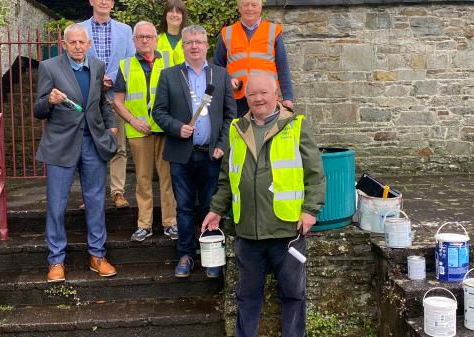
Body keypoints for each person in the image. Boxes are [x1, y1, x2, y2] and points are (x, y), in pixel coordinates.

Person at [202, 73, 325, 337]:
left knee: (293, 295)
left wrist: (310, 210)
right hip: (247, 230)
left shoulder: (296, 126)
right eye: (252, 94)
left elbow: (315, 174)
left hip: (286, 229)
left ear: (277, 93)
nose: (258, 99)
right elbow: (227, 179)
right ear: (245, 98)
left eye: (264, 93)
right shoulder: (237, 130)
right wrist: (216, 210)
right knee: (246, 297)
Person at [35, 23, 119, 282]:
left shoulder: (97, 67)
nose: (78, 46)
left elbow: (101, 102)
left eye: (82, 42)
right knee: (57, 204)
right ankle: (56, 261)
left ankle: (97, 256)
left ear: (89, 44)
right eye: (72, 42)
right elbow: (38, 110)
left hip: (93, 142)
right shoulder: (49, 67)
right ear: (64, 44)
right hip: (61, 144)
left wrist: (112, 127)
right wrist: (49, 100)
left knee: (95, 201)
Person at [152, 25, 236, 279]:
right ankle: (186, 254)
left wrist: (222, 144)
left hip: (213, 155)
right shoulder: (169, 75)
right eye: (189, 42)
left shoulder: (220, 75)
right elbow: (158, 112)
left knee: (212, 206)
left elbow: (230, 115)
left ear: (207, 45)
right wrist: (177, 128)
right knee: (185, 208)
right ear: (183, 46)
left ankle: (212, 256)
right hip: (181, 154)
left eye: (199, 41)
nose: (194, 46)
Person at [112, 21, 178, 242]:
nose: (145, 40)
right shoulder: (126, 65)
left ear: (156, 39)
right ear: (134, 40)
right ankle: (144, 225)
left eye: (149, 36)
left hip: (165, 130)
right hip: (139, 131)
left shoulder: (169, 62)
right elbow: (118, 102)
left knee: (167, 178)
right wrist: (133, 120)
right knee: (142, 179)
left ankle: (170, 223)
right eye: (140, 37)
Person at [81, 0, 135, 209]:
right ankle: (91, 194)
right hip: (88, 96)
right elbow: (74, 59)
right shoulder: (80, 30)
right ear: (91, 1)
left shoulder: (125, 30)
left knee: (118, 145)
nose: (104, 1)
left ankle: (117, 192)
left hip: (116, 95)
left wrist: (111, 77)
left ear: (112, 3)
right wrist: (96, 78)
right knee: (90, 147)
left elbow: (131, 59)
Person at [213, 0, 294, 117]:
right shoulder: (227, 33)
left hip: (266, 97)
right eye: (245, 5)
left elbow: (283, 67)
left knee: (267, 133)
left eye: (254, 5)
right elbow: (217, 67)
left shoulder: (273, 31)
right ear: (239, 8)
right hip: (238, 98)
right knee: (239, 133)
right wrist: (228, 80)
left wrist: (288, 97)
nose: (250, 8)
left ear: (260, 8)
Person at [157, 0, 188, 66]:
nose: (174, 15)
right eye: (171, 11)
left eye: (178, 12)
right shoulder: (156, 40)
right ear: (165, 15)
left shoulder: (190, 40)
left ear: (183, 16)